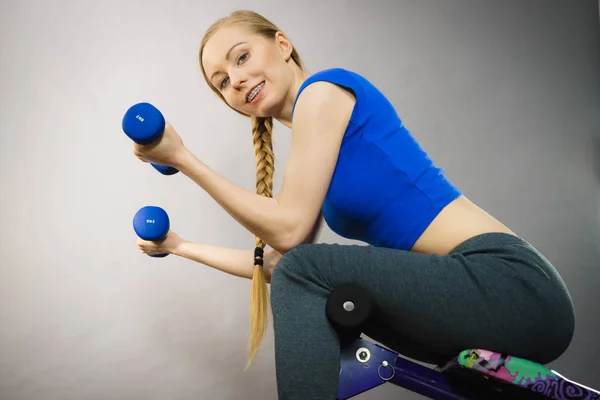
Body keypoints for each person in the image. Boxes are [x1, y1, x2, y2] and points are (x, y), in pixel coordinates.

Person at [132, 9, 576, 400]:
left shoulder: (324, 93)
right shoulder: (313, 160)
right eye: (223, 82)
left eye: (242, 57)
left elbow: (288, 240)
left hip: (513, 286)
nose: (237, 80)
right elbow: (273, 263)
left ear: (282, 45)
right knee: (304, 276)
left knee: (303, 270)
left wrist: (183, 159)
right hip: (476, 308)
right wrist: (177, 245)